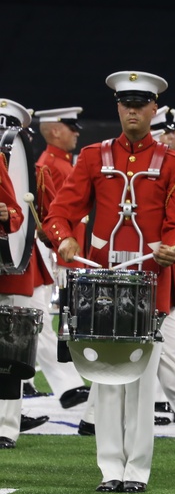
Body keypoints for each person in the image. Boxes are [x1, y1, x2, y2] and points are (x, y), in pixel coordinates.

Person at [43, 71, 175, 492]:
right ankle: (111, 469)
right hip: (101, 282)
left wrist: (173, 248)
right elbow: (59, 212)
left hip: (148, 281)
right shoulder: (94, 157)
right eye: (125, 104)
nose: (132, 111)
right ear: (118, 108)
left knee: (142, 379)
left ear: (154, 110)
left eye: (140, 104)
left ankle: (137, 470)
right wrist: (65, 239)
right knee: (108, 378)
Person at [29, 107, 91, 409]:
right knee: (39, 320)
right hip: (51, 251)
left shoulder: (56, 165)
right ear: (55, 131)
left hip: (58, 251)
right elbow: (51, 216)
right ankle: (65, 386)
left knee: (42, 322)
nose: (76, 132)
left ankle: (68, 386)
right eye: (70, 127)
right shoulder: (49, 165)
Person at [0, 98, 44, 448]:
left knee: (9, 350)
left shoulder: (6, 159)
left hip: (7, 267)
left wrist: (6, 216)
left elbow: (16, 213)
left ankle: (5, 427)